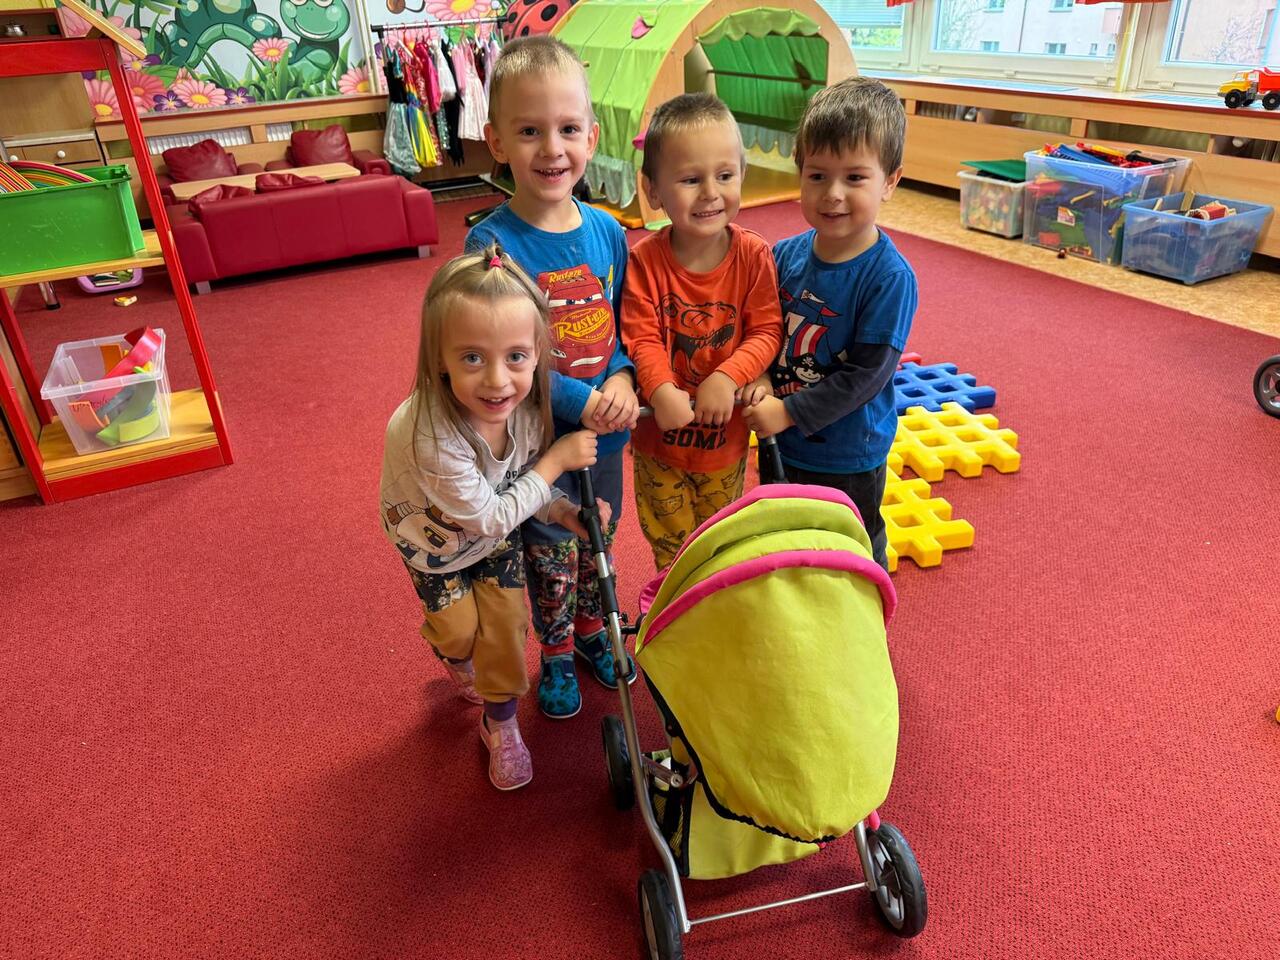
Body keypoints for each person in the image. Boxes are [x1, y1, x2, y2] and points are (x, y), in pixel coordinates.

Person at [379, 245, 610, 791]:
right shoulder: (429, 431)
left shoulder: (524, 411)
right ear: (439, 358)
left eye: (516, 357)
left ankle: (500, 722)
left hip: (492, 537)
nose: (497, 381)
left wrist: (564, 510)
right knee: (459, 633)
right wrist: (558, 461)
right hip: (433, 545)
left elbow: (521, 484)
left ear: (538, 353)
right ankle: (453, 654)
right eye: (472, 358)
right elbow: (492, 514)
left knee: (505, 630)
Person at [464, 35, 640, 721]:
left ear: (591, 137)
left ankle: (594, 631)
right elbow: (500, 359)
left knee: (599, 535)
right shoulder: (491, 245)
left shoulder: (608, 232)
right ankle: (558, 650)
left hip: (607, 435)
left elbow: (622, 326)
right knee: (548, 549)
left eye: (568, 129)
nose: (552, 149)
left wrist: (622, 379)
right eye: (530, 131)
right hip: (536, 440)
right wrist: (580, 399)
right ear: (497, 141)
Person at [743, 77, 917, 571]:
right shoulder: (783, 256)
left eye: (855, 178)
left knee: (850, 541)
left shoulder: (888, 277)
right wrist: (760, 377)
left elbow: (865, 376)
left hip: (848, 452)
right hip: (783, 439)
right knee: (787, 532)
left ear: (890, 181)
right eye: (817, 175)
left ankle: (865, 605)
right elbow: (765, 330)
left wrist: (789, 411)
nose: (833, 194)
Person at [620, 93, 782, 570]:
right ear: (653, 191)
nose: (711, 192)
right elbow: (641, 337)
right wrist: (660, 388)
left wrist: (728, 377)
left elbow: (766, 331)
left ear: (742, 175)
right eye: (691, 180)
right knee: (671, 557)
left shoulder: (754, 255)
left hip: (724, 446)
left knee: (720, 548)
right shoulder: (643, 261)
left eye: (725, 176)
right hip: (660, 445)